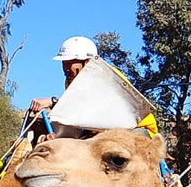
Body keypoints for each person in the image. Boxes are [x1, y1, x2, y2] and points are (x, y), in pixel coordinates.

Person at [28, 35, 159, 139]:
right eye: (64, 63)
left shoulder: (107, 77)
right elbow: (76, 113)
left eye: (71, 63)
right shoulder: (71, 81)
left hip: (138, 131)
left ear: (88, 61)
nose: (66, 68)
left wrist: (52, 102)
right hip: (106, 132)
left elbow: (95, 110)